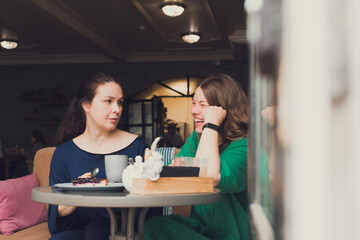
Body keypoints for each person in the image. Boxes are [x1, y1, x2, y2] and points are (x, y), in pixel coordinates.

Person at [145, 73, 249, 240]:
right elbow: (171, 173)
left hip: (232, 234)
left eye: (202, 105)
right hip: (198, 228)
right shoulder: (197, 138)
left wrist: (211, 125)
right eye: (194, 103)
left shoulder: (245, 147)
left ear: (222, 110)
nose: (193, 111)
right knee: (153, 225)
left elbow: (206, 176)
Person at [48, 73, 147, 240]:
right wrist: (76, 191)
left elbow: (150, 204)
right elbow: (56, 211)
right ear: (86, 105)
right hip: (80, 230)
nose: (117, 109)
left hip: (126, 230)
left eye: (120, 102)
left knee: (97, 230)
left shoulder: (137, 145)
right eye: (108, 101)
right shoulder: (63, 153)